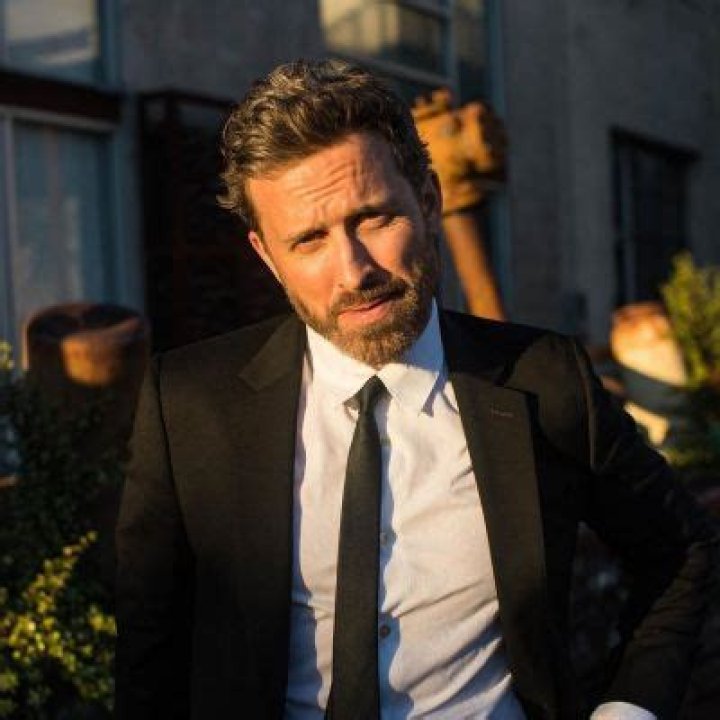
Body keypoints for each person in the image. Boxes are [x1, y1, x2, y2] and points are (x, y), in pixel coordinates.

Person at [115, 59, 717, 720]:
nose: (354, 272)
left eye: (373, 218)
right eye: (309, 240)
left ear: (428, 201)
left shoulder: (545, 381)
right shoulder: (189, 403)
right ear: (267, 255)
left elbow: (683, 552)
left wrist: (628, 711)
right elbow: (150, 654)